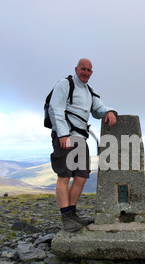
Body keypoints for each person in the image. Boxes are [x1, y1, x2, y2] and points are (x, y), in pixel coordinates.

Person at [48, 58, 117, 231]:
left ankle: (72, 214)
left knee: (81, 176)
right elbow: (55, 108)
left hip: (80, 139)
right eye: (83, 69)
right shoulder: (65, 84)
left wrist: (109, 111)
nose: (85, 72)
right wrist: (63, 134)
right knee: (64, 176)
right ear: (76, 69)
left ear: (91, 73)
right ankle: (66, 217)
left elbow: (98, 108)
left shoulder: (88, 91)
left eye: (89, 70)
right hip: (66, 137)